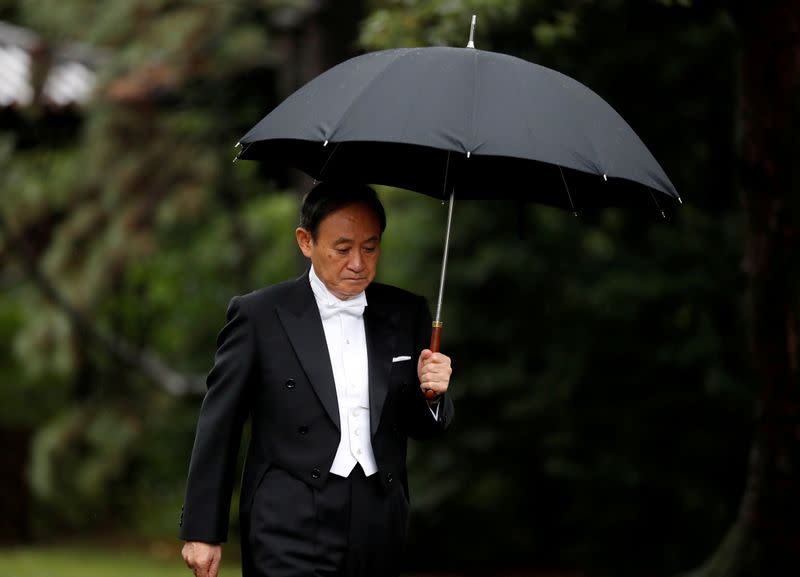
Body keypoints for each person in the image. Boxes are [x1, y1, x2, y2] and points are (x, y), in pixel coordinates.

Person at [180, 181, 454, 577]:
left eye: (370, 247)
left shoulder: (407, 312)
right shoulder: (259, 315)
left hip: (378, 519)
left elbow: (418, 425)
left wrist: (432, 395)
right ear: (305, 241)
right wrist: (202, 530)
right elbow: (219, 423)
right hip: (287, 520)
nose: (358, 262)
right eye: (342, 249)